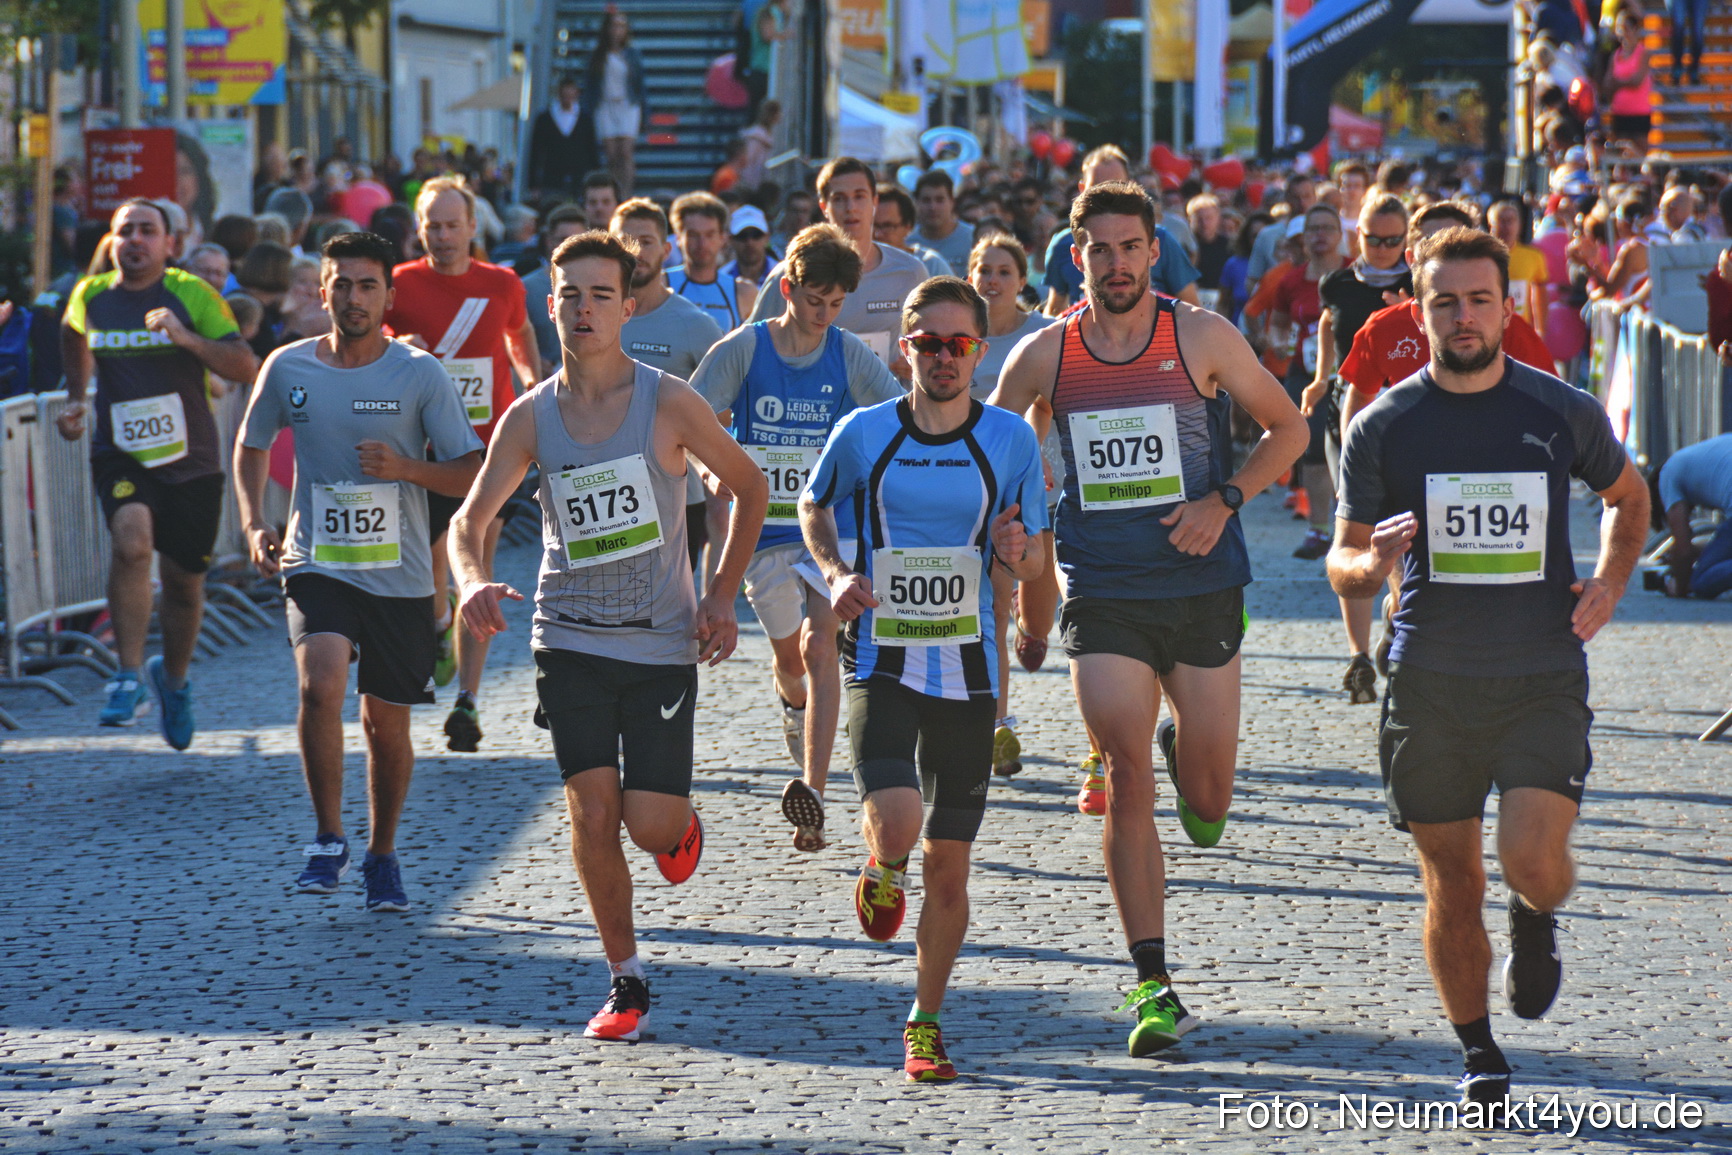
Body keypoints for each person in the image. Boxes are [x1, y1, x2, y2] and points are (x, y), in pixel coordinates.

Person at [1327, 225, 1648, 1105]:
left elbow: (1629, 498)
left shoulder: (1559, 409)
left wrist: (1612, 582)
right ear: (1417, 308)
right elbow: (1342, 559)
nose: (1462, 317)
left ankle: (1536, 916)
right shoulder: (1383, 424)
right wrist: (1373, 566)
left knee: (1530, 861)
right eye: (1443, 301)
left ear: (1506, 306)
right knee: (1452, 878)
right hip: (1429, 679)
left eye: (1478, 300)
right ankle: (1478, 1049)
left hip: (1541, 671)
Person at [991, 181, 1307, 1057]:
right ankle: (1153, 980)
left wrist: (1226, 498)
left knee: (1206, 801)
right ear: (1075, 254)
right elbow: (994, 447)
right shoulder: (1045, 357)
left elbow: (1288, 429)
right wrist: (1013, 520)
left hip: (1202, 585)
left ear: (1153, 251)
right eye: (1101, 249)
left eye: (1131, 248)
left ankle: (1187, 751)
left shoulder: (1199, 334)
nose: (1118, 264)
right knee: (1126, 774)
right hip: (1104, 590)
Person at [450, 229, 767, 1043]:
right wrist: (470, 580)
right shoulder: (530, 416)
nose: (582, 308)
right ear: (549, 305)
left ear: (627, 307)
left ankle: (678, 827)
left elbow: (749, 486)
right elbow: (468, 520)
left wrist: (724, 595)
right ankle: (625, 978)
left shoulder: (669, 400)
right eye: (567, 294)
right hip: (571, 638)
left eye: (599, 295)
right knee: (591, 813)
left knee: (646, 824)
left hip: (661, 641)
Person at [799, 276, 1047, 1082]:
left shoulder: (1009, 440)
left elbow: (1034, 552)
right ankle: (880, 862)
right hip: (882, 657)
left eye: (960, 344)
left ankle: (926, 1019)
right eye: (928, 343)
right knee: (901, 823)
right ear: (904, 347)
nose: (944, 358)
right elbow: (812, 502)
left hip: (970, 671)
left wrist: (1015, 557)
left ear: (980, 350)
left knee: (951, 863)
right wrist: (835, 571)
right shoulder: (865, 432)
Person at [235, 231, 483, 910]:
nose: (352, 297)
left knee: (385, 725)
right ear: (322, 291)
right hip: (318, 559)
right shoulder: (288, 368)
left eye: (366, 284)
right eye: (340, 284)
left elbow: (468, 471)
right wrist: (256, 520)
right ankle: (326, 837)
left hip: (400, 573)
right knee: (321, 683)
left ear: (388, 295)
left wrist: (406, 469)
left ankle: (382, 852)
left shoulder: (419, 373)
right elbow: (251, 444)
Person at [692, 223, 904, 851]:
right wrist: (710, 466)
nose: (824, 315)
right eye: (814, 300)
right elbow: (693, 415)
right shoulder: (744, 349)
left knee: (819, 645)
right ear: (788, 288)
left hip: (827, 529)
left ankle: (811, 790)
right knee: (790, 661)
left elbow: (896, 415)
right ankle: (794, 708)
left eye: (836, 304)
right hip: (759, 529)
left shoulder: (845, 353)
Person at [57, 198, 260, 742]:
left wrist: (186, 338)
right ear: (113, 241)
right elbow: (72, 331)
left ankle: (172, 681)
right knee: (131, 541)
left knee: (185, 585)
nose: (135, 240)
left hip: (191, 462)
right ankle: (125, 676)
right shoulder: (92, 295)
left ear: (170, 244)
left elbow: (245, 365)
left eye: (148, 231)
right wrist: (75, 400)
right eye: (126, 231)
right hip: (121, 455)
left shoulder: (191, 294)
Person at [383, 176, 541, 752]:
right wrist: (402, 348)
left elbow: (519, 331)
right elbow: (373, 345)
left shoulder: (500, 282)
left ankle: (468, 701)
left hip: (489, 448)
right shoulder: (399, 285)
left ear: (474, 228)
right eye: (433, 225)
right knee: (432, 563)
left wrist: (530, 382)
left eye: (453, 225)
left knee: (480, 560)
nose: (443, 236)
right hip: (422, 451)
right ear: (418, 229)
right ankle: (440, 618)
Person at [1298, 193, 1410, 702]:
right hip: (1348, 411)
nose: (1385, 249)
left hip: (1409, 414)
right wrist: (1322, 378)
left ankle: (1397, 614)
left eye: (1394, 240)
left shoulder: (1422, 283)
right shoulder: (1337, 282)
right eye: (1374, 238)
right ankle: (1358, 656)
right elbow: (1327, 323)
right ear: (1356, 235)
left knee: (1398, 527)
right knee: (1354, 527)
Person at [967, 232, 1055, 777]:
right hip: (960, 485)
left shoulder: (1041, 335)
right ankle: (991, 722)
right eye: (983, 270)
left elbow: (1044, 406)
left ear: (1022, 280)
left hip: (1024, 486)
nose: (992, 280)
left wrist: (1033, 453)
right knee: (983, 610)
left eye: (1003, 271)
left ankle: (1034, 629)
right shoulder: (958, 333)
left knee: (1011, 616)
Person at [610, 197, 728, 571]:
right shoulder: (592, 316)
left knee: (672, 616)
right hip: (602, 489)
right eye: (624, 241)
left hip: (677, 494)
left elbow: (723, 415)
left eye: (645, 241)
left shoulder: (695, 325)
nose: (635, 251)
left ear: (666, 249)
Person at [746, 157, 929, 370]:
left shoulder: (910, 272)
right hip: (815, 400)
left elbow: (933, 341)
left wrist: (918, 363)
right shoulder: (791, 275)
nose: (851, 207)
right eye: (839, 199)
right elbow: (749, 348)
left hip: (887, 400)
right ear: (824, 206)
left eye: (859, 197)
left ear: (875, 202)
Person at [1268, 204, 1347, 561]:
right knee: (1313, 447)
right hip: (1306, 373)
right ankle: (1319, 530)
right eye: (1313, 229)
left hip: (1351, 373)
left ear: (1339, 234)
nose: (1320, 235)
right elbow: (1279, 321)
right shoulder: (1291, 280)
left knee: (1353, 448)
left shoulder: (1354, 275)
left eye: (1327, 228)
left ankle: (1355, 525)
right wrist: (1279, 343)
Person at [1042, 146, 1201, 315]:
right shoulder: (1062, 244)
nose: (1108, 195)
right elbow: (1054, 310)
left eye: (1130, 247)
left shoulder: (1160, 239)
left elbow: (1191, 310)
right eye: (1099, 250)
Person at [668, 192, 757, 330]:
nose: (702, 244)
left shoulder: (743, 292)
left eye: (710, 235)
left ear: (723, 238)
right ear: (678, 238)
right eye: (693, 235)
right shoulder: (661, 285)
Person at [1658, 433, 1732, 597]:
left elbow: (1683, 550)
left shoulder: (1667, 474)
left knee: (1701, 580)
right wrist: (1699, 551)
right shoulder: (1696, 457)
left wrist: (1679, 586)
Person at [523, 204, 592, 373]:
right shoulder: (525, 289)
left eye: (578, 241)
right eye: (563, 239)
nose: (571, 247)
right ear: (549, 241)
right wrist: (533, 360)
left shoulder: (605, 289)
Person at [587, 11, 646, 194]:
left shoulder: (632, 54)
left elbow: (640, 84)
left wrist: (645, 111)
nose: (617, 31)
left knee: (626, 152)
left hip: (627, 104)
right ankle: (613, 191)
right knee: (611, 154)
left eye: (621, 26)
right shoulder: (598, 54)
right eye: (614, 26)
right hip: (605, 105)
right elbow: (590, 84)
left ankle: (627, 192)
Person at [528, 78, 599, 205]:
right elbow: (535, 151)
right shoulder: (544, 119)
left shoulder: (585, 119)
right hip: (552, 179)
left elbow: (592, 150)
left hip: (579, 179)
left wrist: (595, 181)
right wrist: (533, 184)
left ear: (577, 94)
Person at [909, 170, 975, 278]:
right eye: (926, 200)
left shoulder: (973, 240)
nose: (932, 207)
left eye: (939, 200)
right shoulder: (908, 243)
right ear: (916, 203)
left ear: (952, 202)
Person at [875, 184, 951, 277]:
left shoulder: (931, 266)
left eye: (887, 226)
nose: (877, 234)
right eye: (873, 226)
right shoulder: (857, 268)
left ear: (908, 227)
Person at [1603, 10, 1653, 147]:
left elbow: (1637, 80)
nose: (1622, 33)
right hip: (1619, 113)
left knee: (1639, 153)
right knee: (1619, 152)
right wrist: (1624, 82)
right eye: (1619, 29)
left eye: (1626, 28)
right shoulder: (1615, 55)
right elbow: (1607, 84)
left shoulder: (1643, 53)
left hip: (1639, 113)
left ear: (1635, 29)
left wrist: (1617, 83)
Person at [719, 204, 777, 289]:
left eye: (756, 235)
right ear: (731, 240)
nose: (750, 242)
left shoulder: (782, 275)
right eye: (742, 236)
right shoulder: (721, 279)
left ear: (767, 237)